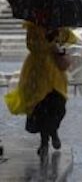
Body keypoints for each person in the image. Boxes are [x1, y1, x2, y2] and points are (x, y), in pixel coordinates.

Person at [4, 21, 76, 157]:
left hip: (55, 73)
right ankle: (44, 143)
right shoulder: (33, 26)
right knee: (42, 108)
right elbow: (31, 45)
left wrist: (59, 43)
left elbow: (68, 40)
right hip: (37, 73)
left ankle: (53, 131)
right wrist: (49, 44)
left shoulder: (61, 26)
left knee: (59, 106)